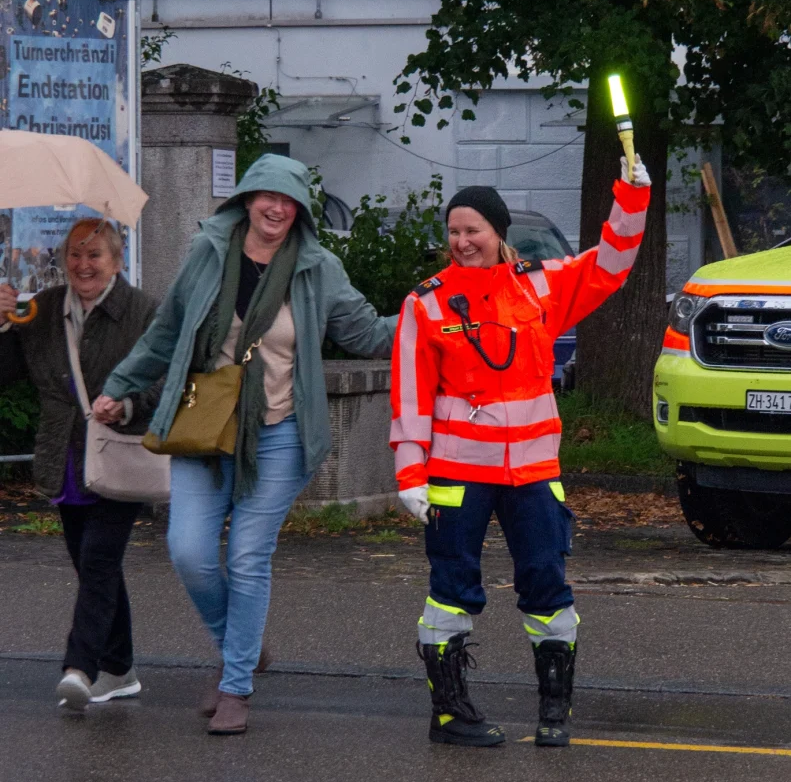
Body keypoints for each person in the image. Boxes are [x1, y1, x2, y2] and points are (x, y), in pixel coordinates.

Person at [95, 154, 396, 736]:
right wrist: (120, 388)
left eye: (289, 201)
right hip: (203, 426)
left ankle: (235, 685)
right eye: (266, 196)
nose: (276, 208)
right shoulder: (208, 252)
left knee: (248, 556)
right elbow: (165, 333)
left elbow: (364, 333)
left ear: (300, 211)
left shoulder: (316, 267)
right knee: (188, 551)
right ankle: (243, 645)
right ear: (246, 200)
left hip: (280, 431)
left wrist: (429, 314)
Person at [390, 154, 652, 747]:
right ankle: (451, 715)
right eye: (454, 232)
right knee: (451, 590)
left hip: (532, 471)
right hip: (457, 473)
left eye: (473, 231)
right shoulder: (425, 304)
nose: (462, 242)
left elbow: (610, 265)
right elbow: (410, 397)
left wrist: (630, 198)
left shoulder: (540, 284)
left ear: (497, 232)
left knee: (546, 584)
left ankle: (553, 711)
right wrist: (410, 474)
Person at [0, 219, 160, 712]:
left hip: (121, 452)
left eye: (95, 255)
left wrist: (128, 405)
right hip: (65, 456)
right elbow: (7, 375)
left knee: (98, 561)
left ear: (116, 260)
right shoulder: (42, 309)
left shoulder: (144, 312)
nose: (83, 265)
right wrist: (3, 322)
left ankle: (80, 667)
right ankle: (120, 669)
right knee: (94, 565)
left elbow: (164, 382)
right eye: (75, 255)